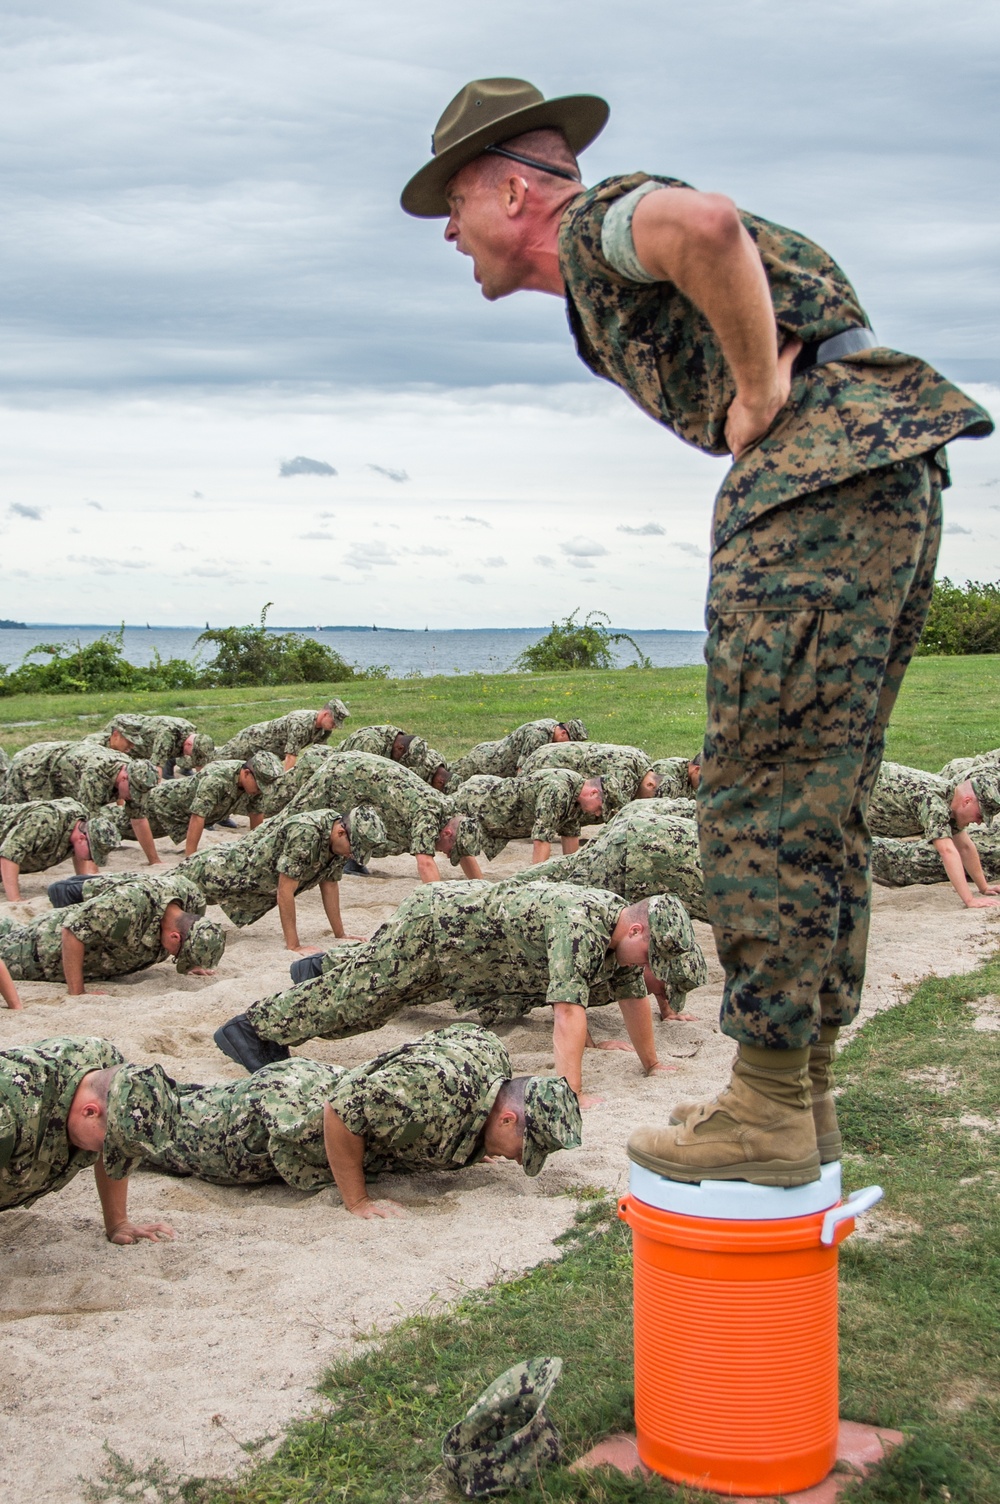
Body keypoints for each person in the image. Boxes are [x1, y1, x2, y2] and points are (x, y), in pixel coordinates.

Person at [401, 77, 993, 1185]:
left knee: (757, 787)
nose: (446, 227)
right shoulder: (594, 258)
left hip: (817, 471)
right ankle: (799, 1091)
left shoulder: (595, 224)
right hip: (883, 460)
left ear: (517, 191)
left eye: (455, 199)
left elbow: (705, 225)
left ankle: (765, 1103)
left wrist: (761, 388)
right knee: (822, 790)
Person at [214, 880, 701, 1107]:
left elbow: (633, 996)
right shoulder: (582, 925)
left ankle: (319, 970)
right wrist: (571, 1092)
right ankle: (249, 1029)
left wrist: (652, 1063)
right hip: (438, 929)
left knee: (368, 1007)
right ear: (636, 930)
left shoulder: (616, 936)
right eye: (652, 954)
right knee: (357, 1001)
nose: (650, 968)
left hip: (464, 957)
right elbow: (568, 1014)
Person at [99, 1024, 582, 1221]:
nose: (511, 1158)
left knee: (191, 1105)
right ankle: (95, 1097)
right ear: (509, 1116)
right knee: (159, 1138)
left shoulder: (489, 1055)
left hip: (310, 1082)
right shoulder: (429, 1095)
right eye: (520, 1149)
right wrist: (358, 1201)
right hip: (275, 1125)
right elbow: (341, 1111)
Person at [0, 1035, 175, 1243]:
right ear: (90, 1112)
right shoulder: (10, 1112)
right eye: (109, 1148)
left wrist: (117, 1223)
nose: (110, 1156)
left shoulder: (111, 1070)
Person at [177, 805, 386, 952]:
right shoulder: (307, 832)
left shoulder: (337, 839)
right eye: (354, 848)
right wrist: (294, 945)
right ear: (341, 832)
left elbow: (330, 883)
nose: (353, 856)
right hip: (215, 873)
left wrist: (340, 933)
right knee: (169, 903)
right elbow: (285, 890)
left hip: (245, 888)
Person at [0, 872, 224, 997]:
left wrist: (193, 961)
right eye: (178, 955)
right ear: (175, 937)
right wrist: (78, 993)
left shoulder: (192, 900)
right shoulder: (128, 905)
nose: (173, 957)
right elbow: (72, 931)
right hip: (44, 951)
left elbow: (194, 926)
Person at [283, 750, 484, 882]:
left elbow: (464, 851)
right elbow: (425, 863)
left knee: (390, 841)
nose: (449, 856)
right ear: (448, 833)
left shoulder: (452, 815)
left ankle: (352, 860)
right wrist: (442, 904)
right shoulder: (429, 814)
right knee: (290, 819)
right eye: (451, 852)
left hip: (364, 784)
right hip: (342, 773)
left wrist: (481, 890)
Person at [2, 741, 161, 865]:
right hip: (34, 765)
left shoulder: (138, 776)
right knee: (17, 820)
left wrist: (154, 861)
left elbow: (139, 819)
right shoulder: (96, 775)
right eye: (133, 791)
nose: (134, 796)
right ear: (124, 778)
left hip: (62, 774)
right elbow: (87, 829)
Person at [868, 763, 1000, 908]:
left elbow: (965, 848)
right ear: (967, 801)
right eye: (979, 815)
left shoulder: (950, 799)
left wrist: (984, 887)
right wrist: (970, 901)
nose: (979, 822)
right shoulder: (935, 803)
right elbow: (947, 851)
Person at [142, 750, 285, 855]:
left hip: (182, 820)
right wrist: (190, 858)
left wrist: (255, 851)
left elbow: (256, 814)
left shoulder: (256, 783)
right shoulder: (217, 778)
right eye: (259, 785)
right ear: (246, 774)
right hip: (159, 808)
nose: (261, 790)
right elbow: (198, 817)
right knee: (126, 828)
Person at [452, 767, 605, 862]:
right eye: (600, 808)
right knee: (448, 837)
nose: (597, 814)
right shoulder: (557, 790)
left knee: (460, 844)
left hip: (499, 812)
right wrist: (535, 887)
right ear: (593, 793)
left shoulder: (575, 793)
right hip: (479, 800)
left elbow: (570, 833)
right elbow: (541, 840)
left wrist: (569, 879)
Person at [0, 798, 122, 902]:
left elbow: (81, 855)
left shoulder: (82, 823)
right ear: (82, 838)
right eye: (92, 853)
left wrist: (83, 887)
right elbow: (8, 855)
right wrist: (15, 900)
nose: (91, 858)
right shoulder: (45, 822)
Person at [446, 718, 587, 786]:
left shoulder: (552, 727)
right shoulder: (538, 735)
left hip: (498, 767)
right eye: (570, 742)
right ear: (563, 733)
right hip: (485, 762)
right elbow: (523, 770)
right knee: (447, 778)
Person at [215, 699, 350, 770]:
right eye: (334, 721)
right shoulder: (301, 723)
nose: (335, 726)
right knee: (218, 763)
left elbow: (320, 752)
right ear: (325, 714)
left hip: (267, 754)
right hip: (251, 741)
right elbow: (290, 757)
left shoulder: (325, 730)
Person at [518, 740, 654, 809]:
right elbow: (617, 812)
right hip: (547, 761)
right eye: (648, 797)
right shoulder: (624, 772)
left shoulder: (642, 759)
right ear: (650, 784)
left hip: (550, 752)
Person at [88, 714, 215, 777]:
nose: (189, 755)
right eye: (191, 753)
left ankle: (180, 767)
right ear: (187, 743)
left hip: (144, 742)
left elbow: (201, 766)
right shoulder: (168, 734)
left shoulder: (195, 736)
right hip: (127, 734)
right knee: (111, 761)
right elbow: (156, 768)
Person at [334, 724, 450, 789]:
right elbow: (357, 779)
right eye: (403, 760)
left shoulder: (397, 740)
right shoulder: (369, 744)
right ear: (400, 748)